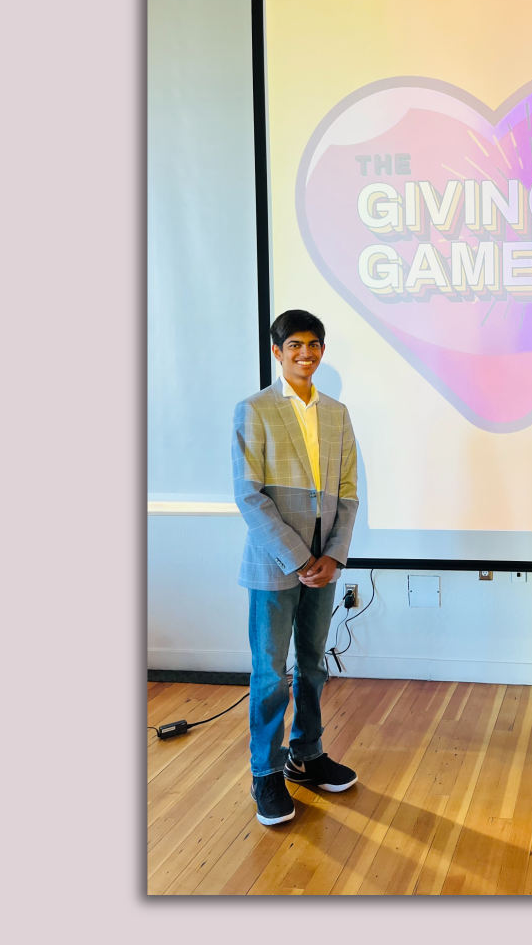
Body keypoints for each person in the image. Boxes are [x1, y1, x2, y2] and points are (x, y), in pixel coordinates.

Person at [232, 309, 361, 826]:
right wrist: (300, 557)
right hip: (274, 564)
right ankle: (265, 773)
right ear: (277, 352)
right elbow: (248, 494)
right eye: (294, 346)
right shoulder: (254, 409)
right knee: (270, 673)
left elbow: (347, 492)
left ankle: (305, 756)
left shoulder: (337, 413)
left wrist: (332, 556)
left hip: (323, 567)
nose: (305, 353)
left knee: (312, 665)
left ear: (322, 351)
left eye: (313, 345)